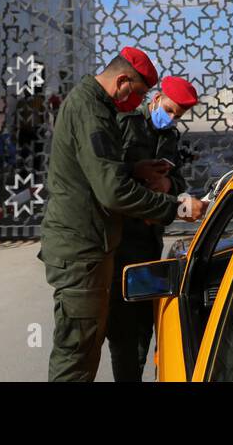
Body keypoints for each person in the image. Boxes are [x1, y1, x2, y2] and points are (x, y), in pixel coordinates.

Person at [38, 48, 207, 381]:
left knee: (114, 339)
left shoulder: (96, 107)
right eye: (141, 93)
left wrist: (145, 173)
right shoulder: (97, 112)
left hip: (105, 245)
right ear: (122, 81)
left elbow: (106, 171)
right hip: (88, 248)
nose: (139, 101)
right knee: (78, 351)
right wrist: (177, 208)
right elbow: (113, 190)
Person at [106, 75, 199, 381]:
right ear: (156, 98)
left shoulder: (170, 137)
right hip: (120, 240)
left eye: (179, 116)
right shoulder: (126, 122)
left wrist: (168, 183)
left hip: (149, 242)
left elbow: (180, 180)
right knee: (122, 327)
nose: (172, 118)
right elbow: (109, 177)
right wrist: (143, 182)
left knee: (145, 324)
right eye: (170, 110)